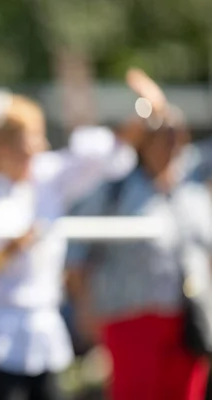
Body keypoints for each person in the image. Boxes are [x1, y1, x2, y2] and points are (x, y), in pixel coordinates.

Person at [0, 86, 136, 400]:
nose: (42, 147)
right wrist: (9, 251)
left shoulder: (43, 178)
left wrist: (132, 120)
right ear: (1, 148)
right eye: (31, 139)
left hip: (42, 331)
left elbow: (107, 159)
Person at [66, 69, 212, 400]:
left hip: (188, 316)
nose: (171, 142)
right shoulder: (114, 190)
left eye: (177, 133)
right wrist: (85, 310)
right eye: (163, 134)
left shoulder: (192, 189)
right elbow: (77, 255)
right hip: (130, 316)